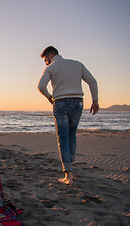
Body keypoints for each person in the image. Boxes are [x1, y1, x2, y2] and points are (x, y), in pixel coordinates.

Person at [37, 46, 99, 185]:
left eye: (46, 59)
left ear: (51, 55)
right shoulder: (77, 64)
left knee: (63, 137)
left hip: (61, 103)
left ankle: (68, 175)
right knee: (72, 134)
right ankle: (70, 167)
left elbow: (41, 86)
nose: (46, 62)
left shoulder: (51, 68)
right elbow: (92, 81)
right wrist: (95, 100)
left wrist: (49, 97)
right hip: (78, 103)